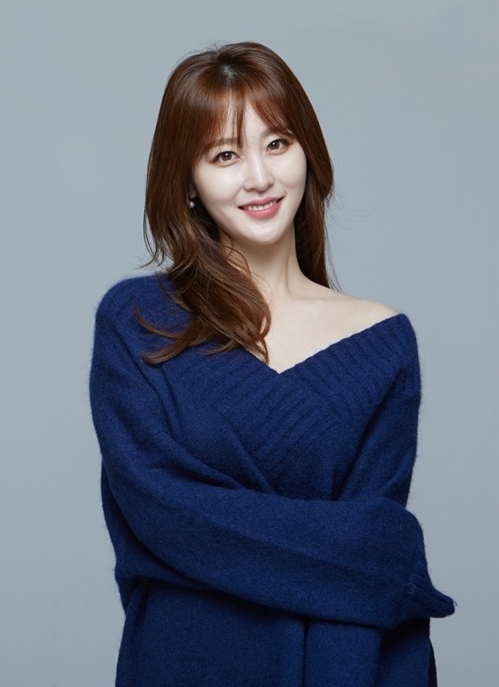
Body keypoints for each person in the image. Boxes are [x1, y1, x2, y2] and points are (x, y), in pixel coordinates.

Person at [90, 41, 455, 687]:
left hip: (340, 666)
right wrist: (358, 549)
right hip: (182, 660)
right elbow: (159, 512)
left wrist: (368, 553)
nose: (258, 177)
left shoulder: (380, 340)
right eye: (224, 155)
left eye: (278, 143)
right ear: (189, 181)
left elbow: (370, 564)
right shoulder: (141, 320)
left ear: (308, 152)